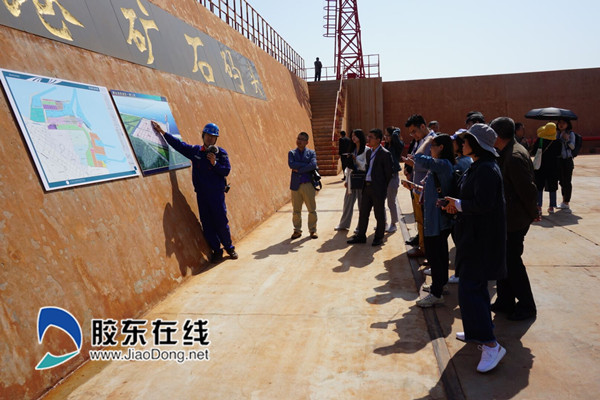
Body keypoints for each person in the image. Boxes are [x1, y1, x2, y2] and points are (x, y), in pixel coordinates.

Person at [443, 123, 507, 373]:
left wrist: (458, 204)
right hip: (472, 238)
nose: (461, 143)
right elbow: (469, 199)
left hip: (482, 241)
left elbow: (483, 204)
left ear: (477, 143)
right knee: (473, 289)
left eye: (466, 139)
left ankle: (491, 345)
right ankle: (475, 332)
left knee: (471, 289)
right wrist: (452, 204)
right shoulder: (476, 167)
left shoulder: (487, 170)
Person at [151, 121, 238, 262]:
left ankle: (229, 248)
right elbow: (179, 146)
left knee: (221, 222)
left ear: (216, 139)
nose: (210, 139)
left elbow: (226, 170)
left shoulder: (221, 153)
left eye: (213, 137)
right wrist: (163, 132)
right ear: (203, 136)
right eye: (208, 136)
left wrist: (214, 163)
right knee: (207, 224)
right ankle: (217, 250)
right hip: (202, 195)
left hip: (216, 195)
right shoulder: (196, 151)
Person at [491, 117, 539, 321]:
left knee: (512, 262)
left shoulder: (514, 156)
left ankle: (527, 305)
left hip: (515, 220)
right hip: (507, 218)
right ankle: (505, 300)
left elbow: (528, 191)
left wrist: (532, 214)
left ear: (497, 135)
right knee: (503, 261)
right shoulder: (506, 152)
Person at [408, 134, 455, 307]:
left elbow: (417, 157)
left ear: (441, 147)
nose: (430, 148)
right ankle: (440, 285)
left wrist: (426, 139)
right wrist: (416, 187)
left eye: (433, 146)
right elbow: (433, 189)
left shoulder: (441, 164)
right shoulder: (440, 166)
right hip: (436, 218)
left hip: (436, 220)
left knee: (436, 256)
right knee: (439, 254)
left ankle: (436, 293)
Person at [347, 128, 393, 246]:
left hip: (377, 188)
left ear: (378, 139)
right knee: (363, 213)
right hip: (366, 187)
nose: (368, 139)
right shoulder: (369, 152)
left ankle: (378, 237)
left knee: (379, 214)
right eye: (368, 137)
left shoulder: (385, 154)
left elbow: (388, 174)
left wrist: (382, 188)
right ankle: (361, 235)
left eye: (371, 137)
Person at [402, 114, 436, 257]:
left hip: (428, 189)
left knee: (428, 223)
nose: (413, 135)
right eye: (411, 132)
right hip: (417, 188)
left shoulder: (433, 141)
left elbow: (434, 165)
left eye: (414, 131)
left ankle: (429, 252)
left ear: (423, 126)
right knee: (420, 221)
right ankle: (423, 248)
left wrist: (414, 164)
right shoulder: (419, 141)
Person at [336, 129, 368, 231]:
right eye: (352, 135)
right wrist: (346, 180)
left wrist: (356, 159)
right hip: (351, 179)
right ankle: (344, 224)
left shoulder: (367, 150)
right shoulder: (352, 149)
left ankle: (360, 226)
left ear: (360, 137)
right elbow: (348, 167)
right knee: (347, 203)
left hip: (361, 180)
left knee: (361, 205)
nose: (353, 138)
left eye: (355, 136)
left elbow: (366, 166)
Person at [289, 132, 318, 239]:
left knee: (311, 209)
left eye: (301, 139)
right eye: (298, 138)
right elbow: (291, 164)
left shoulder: (311, 153)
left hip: (308, 184)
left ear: (306, 142)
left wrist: (299, 169)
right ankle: (297, 230)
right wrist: (306, 166)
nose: (299, 141)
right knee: (296, 210)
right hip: (296, 185)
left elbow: (313, 165)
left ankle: (313, 230)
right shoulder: (291, 153)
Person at [530, 122, 561, 217]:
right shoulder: (557, 142)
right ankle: (551, 206)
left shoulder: (540, 140)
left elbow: (533, 152)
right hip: (553, 167)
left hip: (540, 167)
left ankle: (539, 206)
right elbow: (558, 153)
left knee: (539, 186)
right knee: (552, 186)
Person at [383, 126, 404, 233]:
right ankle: (384, 222)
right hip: (384, 177)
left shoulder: (397, 146)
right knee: (381, 201)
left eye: (387, 135)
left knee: (391, 202)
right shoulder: (386, 146)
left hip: (393, 176)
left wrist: (395, 133)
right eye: (385, 135)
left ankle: (393, 224)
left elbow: (396, 135)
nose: (385, 137)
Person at [555, 118, 576, 212]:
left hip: (567, 160)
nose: (561, 125)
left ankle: (566, 202)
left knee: (567, 181)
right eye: (559, 123)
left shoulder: (571, 134)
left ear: (568, 124)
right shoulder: (557, 134)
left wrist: (567, 139)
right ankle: (564, 201)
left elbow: (572, 147)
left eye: (563, 123)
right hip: (559, 160)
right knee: (561, 181)